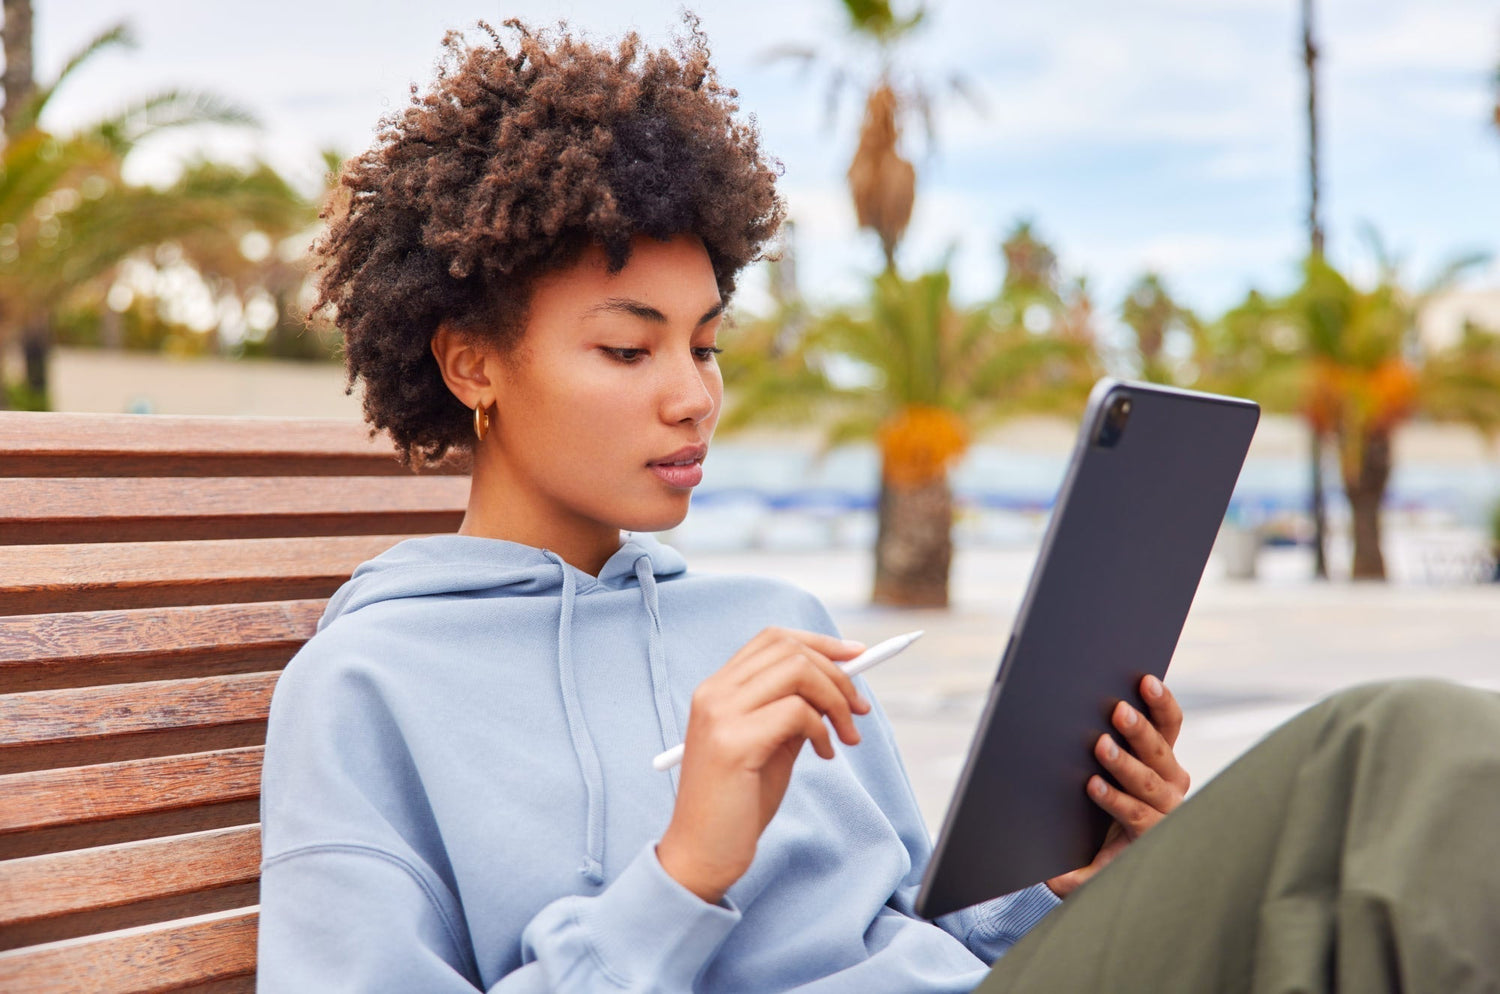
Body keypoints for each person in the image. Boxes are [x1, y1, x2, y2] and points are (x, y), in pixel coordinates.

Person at [257, 17, 1500, 994]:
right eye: (630, 352)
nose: (694, 397)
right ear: (471, 361)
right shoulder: (372, 687)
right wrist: (682, 874)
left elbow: (920, 933)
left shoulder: (770, 618)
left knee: (1380, 848)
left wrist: (1079, 882)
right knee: (1388, 752)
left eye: (707, 345)